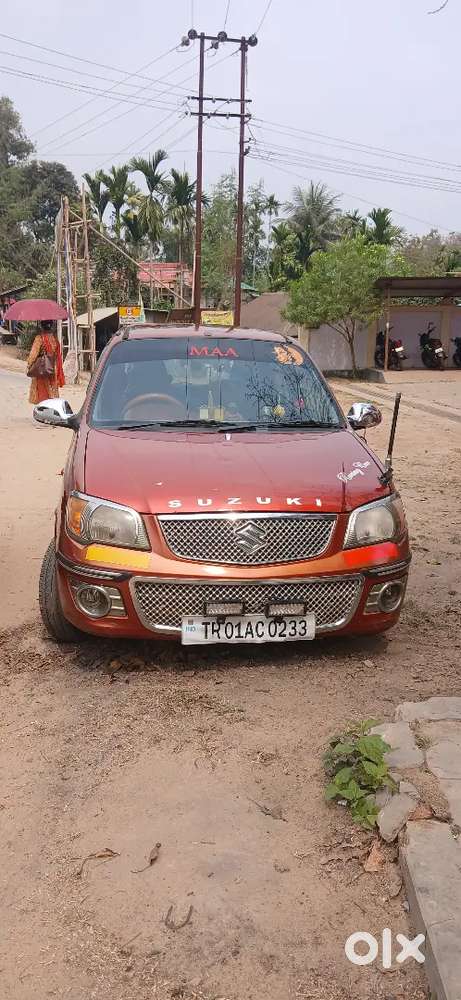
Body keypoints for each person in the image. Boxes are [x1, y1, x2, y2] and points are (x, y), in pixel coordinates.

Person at [27, 321, 65, 405]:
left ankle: (43, 410)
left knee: (42, 391)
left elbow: (33, 355)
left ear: (41, 326)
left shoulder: (39, 338)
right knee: (52, 390)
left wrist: (29, 365)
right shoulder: (54, 339)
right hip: (52, 368)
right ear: (51, 326)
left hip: (42, 369)